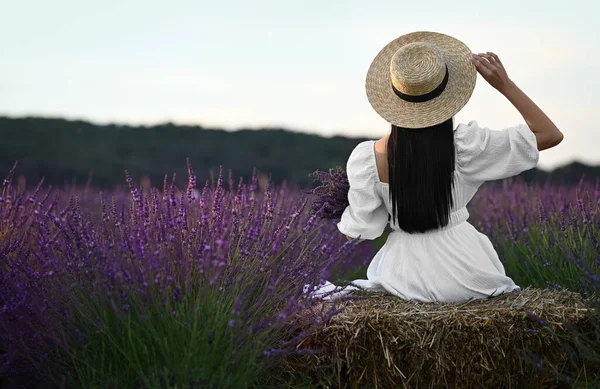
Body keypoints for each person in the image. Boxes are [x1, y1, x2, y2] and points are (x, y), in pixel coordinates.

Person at [305, 31, 563, 303]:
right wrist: (505, 85)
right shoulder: (467, 147)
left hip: (402, 279)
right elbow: (550, 134)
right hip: (470, 274)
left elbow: (358, 232)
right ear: (448, 94)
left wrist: (346, 202)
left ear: (394, 97)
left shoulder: (369, 158)